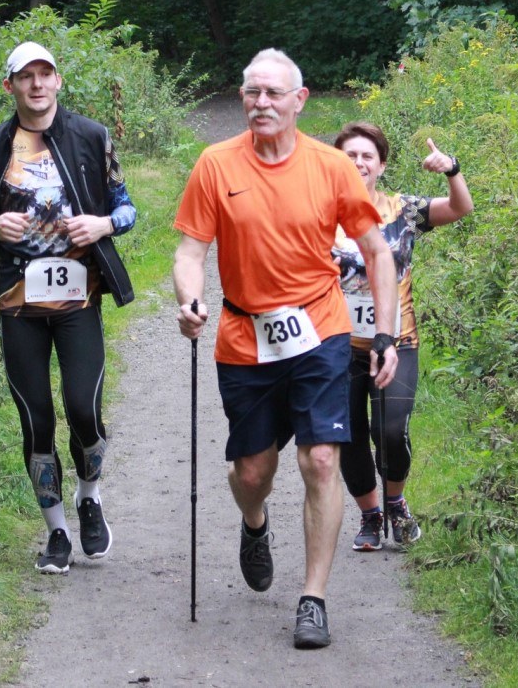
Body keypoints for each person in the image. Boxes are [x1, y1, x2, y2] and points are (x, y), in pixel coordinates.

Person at [172, 49, 400, 650]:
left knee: (321, 460)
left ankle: (313, 598)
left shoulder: (330, 167)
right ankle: (255, 521)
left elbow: (377, 251)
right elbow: (190, 251)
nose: (260, 103)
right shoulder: (215, 165)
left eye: (273, 93)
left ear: (300, 100)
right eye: (251, 92)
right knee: (253, 471)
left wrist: (384, 334)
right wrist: (191, 301)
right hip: (244, 337)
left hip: (319, 331)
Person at [0, 41, 136, 575]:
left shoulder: (90, 137)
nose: (36, 84)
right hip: (18, 303)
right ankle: (56, 533)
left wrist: (102, 224)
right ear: (9, 86)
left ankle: (90, 497)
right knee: (36, 422)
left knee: (83, 408)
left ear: (58, 82)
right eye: (25, 76)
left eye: (44, 74)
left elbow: (126, 207)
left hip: (78, 298)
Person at [330, 122, 473, 552]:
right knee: (348, 436)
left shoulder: (401, 209)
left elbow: (460, 208)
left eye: (367, 156)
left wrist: (452, 169)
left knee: (391, 431)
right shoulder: (320, 214)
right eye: (349, 156)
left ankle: (396, 502)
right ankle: (370, 516)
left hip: (397, 341)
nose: (358, 164)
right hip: (338, 347)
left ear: (382, 165)